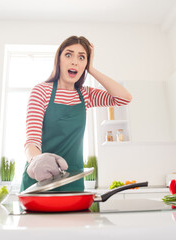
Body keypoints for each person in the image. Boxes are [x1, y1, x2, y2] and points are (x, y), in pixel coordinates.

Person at [20, 36, 132, 192]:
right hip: (39, 181)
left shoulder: (85, 95)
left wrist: (92, 69)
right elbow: (32, 141)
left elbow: (124, 98)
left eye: (81, 57)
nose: (74, 62)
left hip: (72, 180)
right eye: (68, 55)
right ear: (58, 59)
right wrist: (36, 160)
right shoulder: (41, 91)